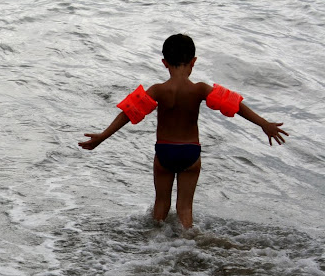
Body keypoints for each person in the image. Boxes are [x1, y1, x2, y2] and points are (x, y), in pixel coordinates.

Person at [79, 34, 289, 229]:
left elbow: (128, 113)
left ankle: (154, 243)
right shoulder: (200, 89)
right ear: (193, 62)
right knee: (185, 208)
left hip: (164, 152)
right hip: (190, 152)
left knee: (161, 203)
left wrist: (102, 136)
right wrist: (264, 124)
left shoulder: (158, 90)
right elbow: (235, 105)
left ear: (164, 63)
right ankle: (188, 243)